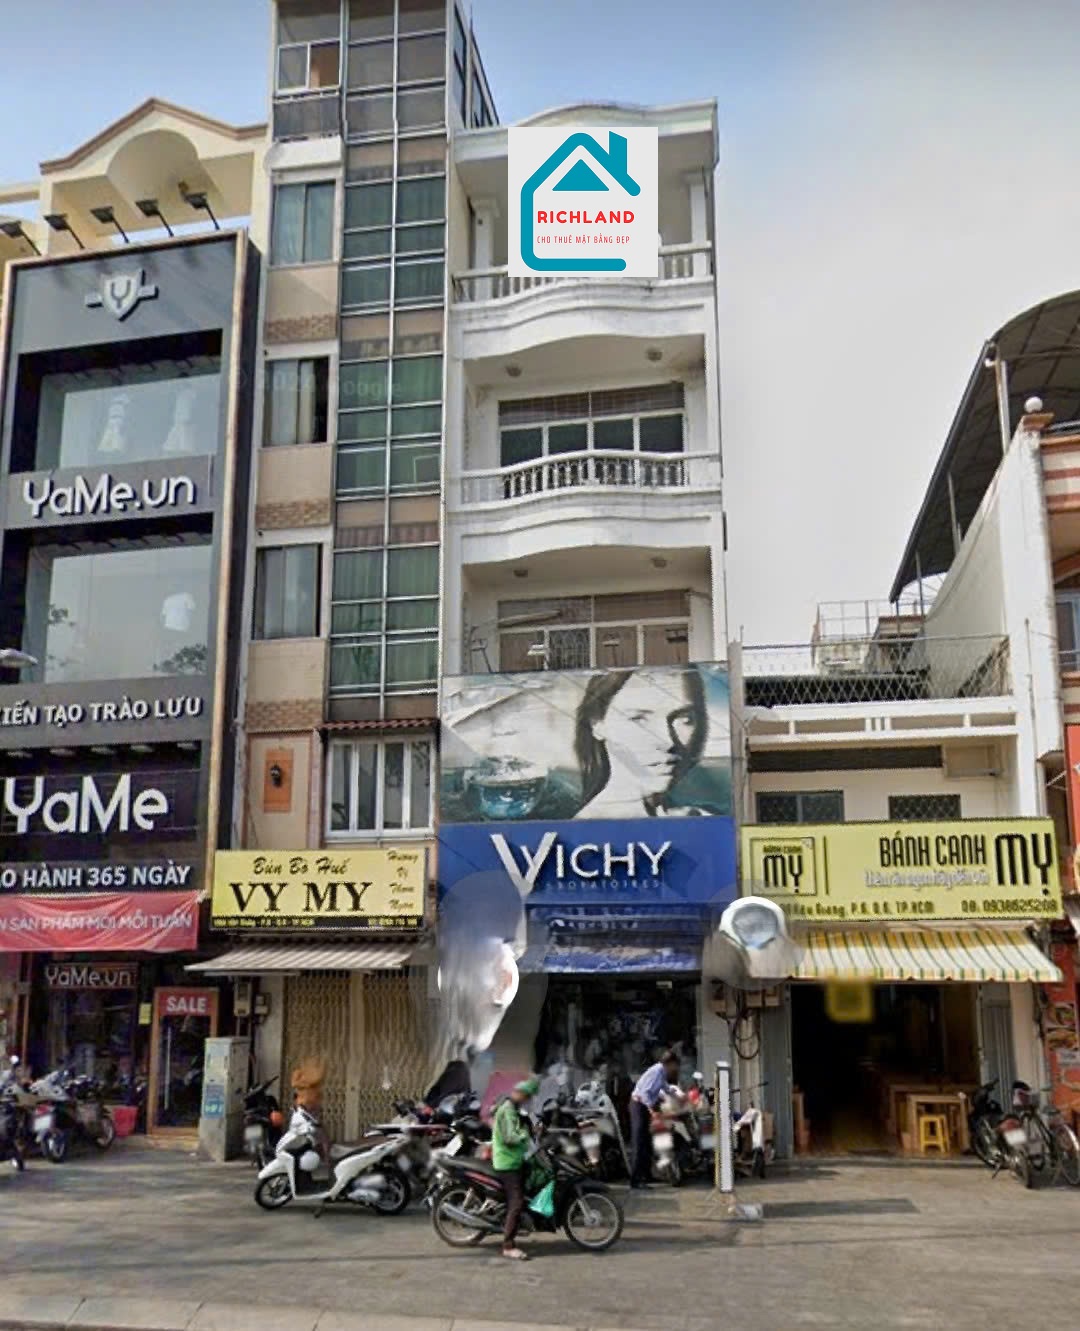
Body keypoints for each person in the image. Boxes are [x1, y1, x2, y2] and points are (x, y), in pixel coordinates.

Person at [574, 667, 708, 819]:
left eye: (685, 719)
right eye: (638, 719)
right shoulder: (590, 826)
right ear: (597, 724)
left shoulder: (698, 818)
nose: (667, 741)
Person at [492, 1076, 539, 1260]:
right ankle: (508, 1245)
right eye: (527, 1097)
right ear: (520, 1094)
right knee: (517, 1202)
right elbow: (510, 1138)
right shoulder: (508, 1110)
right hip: (507, 1163)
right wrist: (526, 1135)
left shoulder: (513, 1109)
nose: (528, 1101)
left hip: (515, 1160)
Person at [629, 1049, 681, 1188]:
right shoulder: (657, 1072)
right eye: (675, 1065)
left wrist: (677, 1096)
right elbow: (645, 1094)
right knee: (639, 1143)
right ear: (670, 1063)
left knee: (647, 1142)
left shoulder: (662, 1072)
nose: (676, 1069)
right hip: (639, 1105)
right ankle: (636, 1180)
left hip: (644, 1106)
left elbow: (665, 1087)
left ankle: (646, 1175)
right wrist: (652, 1111)